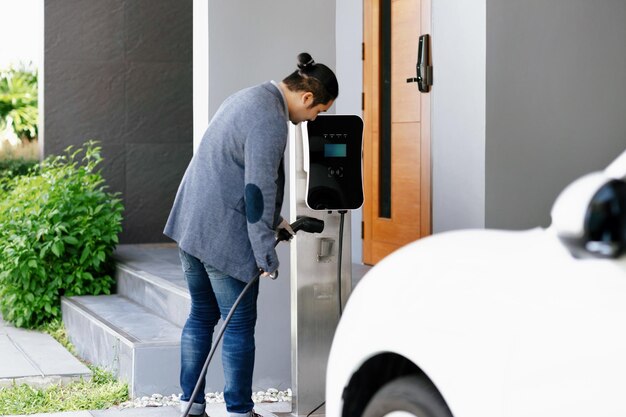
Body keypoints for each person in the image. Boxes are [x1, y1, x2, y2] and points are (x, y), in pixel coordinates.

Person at [163, 52, 338, 417]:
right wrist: (265, 253)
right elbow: (257, 190)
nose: (313, 119)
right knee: (239, 324)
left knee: (201, 316)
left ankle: (190, 406)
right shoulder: (270, 119)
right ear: (307, 98)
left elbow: (234, 170)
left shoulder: (247, 97)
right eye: (319, 112)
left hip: (191, 225)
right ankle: (240, 412)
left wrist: (274, 225)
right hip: (223, 236)